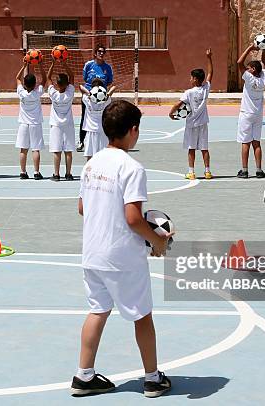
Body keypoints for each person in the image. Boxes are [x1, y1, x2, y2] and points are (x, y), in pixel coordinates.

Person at [72, 100, 172, 398]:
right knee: (142, 315)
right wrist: (158, 240)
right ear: (133, 130)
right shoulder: (132, 167)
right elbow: (132, 218)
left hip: (93, 251)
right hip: (122, 257)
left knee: (97, 310)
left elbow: (81, 208)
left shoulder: (91, 163)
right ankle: (153, 379)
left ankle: (84, 375)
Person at [169, 48, 214, 180]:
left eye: (191, 77)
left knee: (191, 148)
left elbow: (178, 104)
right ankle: (207, 172)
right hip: (203, 123)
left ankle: (191, 172)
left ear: (194, 79)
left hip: (191, 124)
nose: (189, 79)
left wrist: (171, 113)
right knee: (204, 148)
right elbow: (211, 72)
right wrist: (209, 58)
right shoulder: (206, 89)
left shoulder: (188, 92)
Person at [235, 43, 265, 179]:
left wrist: (249, 48)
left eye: (249, 68)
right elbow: (264, 63)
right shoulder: (263, 78)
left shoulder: (249, 78)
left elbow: (239, 62)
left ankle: (244, 170)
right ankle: (259, 170)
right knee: (257, 143)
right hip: (258, 115)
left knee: (245, 142)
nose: (246, 70)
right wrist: (264, 49)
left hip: (246, 114)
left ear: (253, 69)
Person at [77, 44, 113, 152]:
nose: (101, 53)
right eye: (99, 52)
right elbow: (85, 79)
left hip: (102, 98)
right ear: (95, 53)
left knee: (104, 118)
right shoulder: (88, 65)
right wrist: (90, 92)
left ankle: (105, 141)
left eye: (103, 52)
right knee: (85, 117)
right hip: (89, 96)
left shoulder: (107, 68)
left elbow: (110, 81)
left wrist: (102, 92)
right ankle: (82, 141)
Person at [16, 60, 47, 180]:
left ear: (24, 84)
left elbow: (17, 78)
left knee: (23, 149)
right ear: (35, 85)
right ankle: (36, 171)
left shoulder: (21, 93)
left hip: (24, 124)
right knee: (36, 148)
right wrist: (40, 65)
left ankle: (22, 172)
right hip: (35, 124)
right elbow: (44, 79)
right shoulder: (37, 92)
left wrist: (24, 66)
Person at [47, 59, 76, 181]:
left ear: (57, 85)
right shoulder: (70, 92)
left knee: (56, 150)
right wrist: (64, 64)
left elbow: (48, 78)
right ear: (67, 84)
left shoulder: (53, 94)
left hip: (56, 125)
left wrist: (53, 64)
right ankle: (68, 174)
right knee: (68, 150)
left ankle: (56, 174)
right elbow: (72, 76)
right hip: (68, 124)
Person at [79, 78, 116, 161]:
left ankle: (90, 173)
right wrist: (108, 94)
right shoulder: (107, 101)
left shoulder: (87, 100)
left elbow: (81, 87)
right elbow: (114, 87)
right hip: (103, 131)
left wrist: (89, 93)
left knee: (90, 154)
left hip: (91, 131)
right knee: (104, 155)